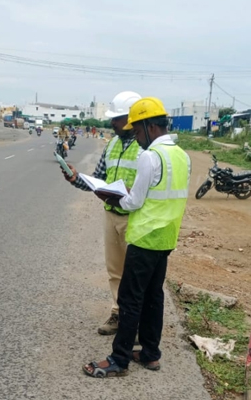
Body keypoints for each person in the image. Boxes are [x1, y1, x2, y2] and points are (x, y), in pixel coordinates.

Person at [82, 97, 191, 378]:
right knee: (154, 297)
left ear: (149, 126)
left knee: (130, 299)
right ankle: (150, 354)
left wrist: (112, 197)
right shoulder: (181, 155)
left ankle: (119, 359)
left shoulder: (151, 156)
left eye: (138, 130)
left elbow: (133, 202)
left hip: (144, 239)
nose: (136, 136)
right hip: (166, 238)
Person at [62, 91, 142, 335]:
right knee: (115, 270)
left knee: (137, 274)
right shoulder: (113, 144)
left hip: (136, 218)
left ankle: (138, 323)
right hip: (111, 215)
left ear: (130, 118)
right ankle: (118, 313)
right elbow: (99, 180)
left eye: (116, 118)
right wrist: (77, 179)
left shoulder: (145, 147)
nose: (112, 123)